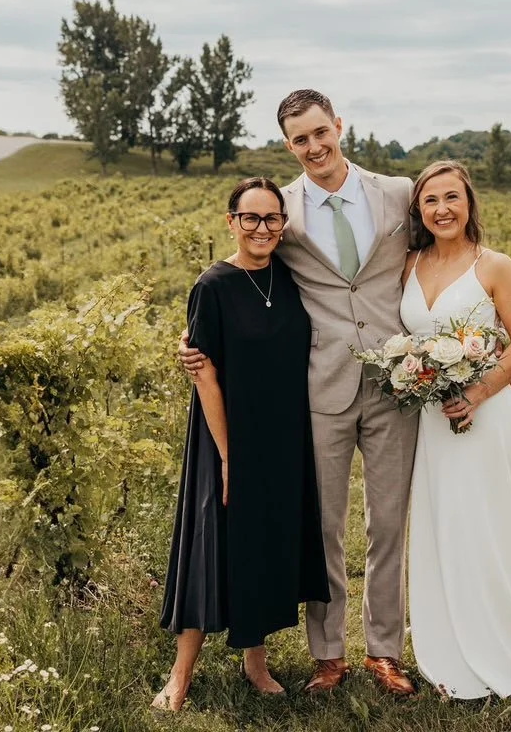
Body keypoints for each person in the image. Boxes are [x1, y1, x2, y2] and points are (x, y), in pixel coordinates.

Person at [180, 89, 419, 695]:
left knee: (389, 523)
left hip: (395, 384)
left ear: (339, 126)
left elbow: (445, 244)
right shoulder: (277, 209)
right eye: (299, 139)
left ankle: (385, 651)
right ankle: (329, 654)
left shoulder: (397, 193)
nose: (314, 147)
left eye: (320, 132)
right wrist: (196, 334)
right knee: (325, 527)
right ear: (289, 145)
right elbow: (239, 267)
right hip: (319, 388)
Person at [154, 177, 330, 711]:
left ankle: (256, 660)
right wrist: (229, 457)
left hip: (281, 435)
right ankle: (180, 675)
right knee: (212, 547)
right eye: (250, 218)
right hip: (227, 438)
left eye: (272, 218)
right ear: (231, 222)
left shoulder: (288, 275)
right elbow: (204, 373)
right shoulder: (213, 285)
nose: (262, 228)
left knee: (265, 546)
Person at [401, 159, 511, 698]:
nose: (442, 209)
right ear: (419, 211)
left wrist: (475, 393)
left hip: (484, 412)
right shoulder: (409, 263)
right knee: (441, 523)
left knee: (486, 524)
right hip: (431, 418)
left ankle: (500, 641)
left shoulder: (495, 266)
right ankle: (446, 636)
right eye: (431, 201)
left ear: (469, 203)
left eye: (452, 197)